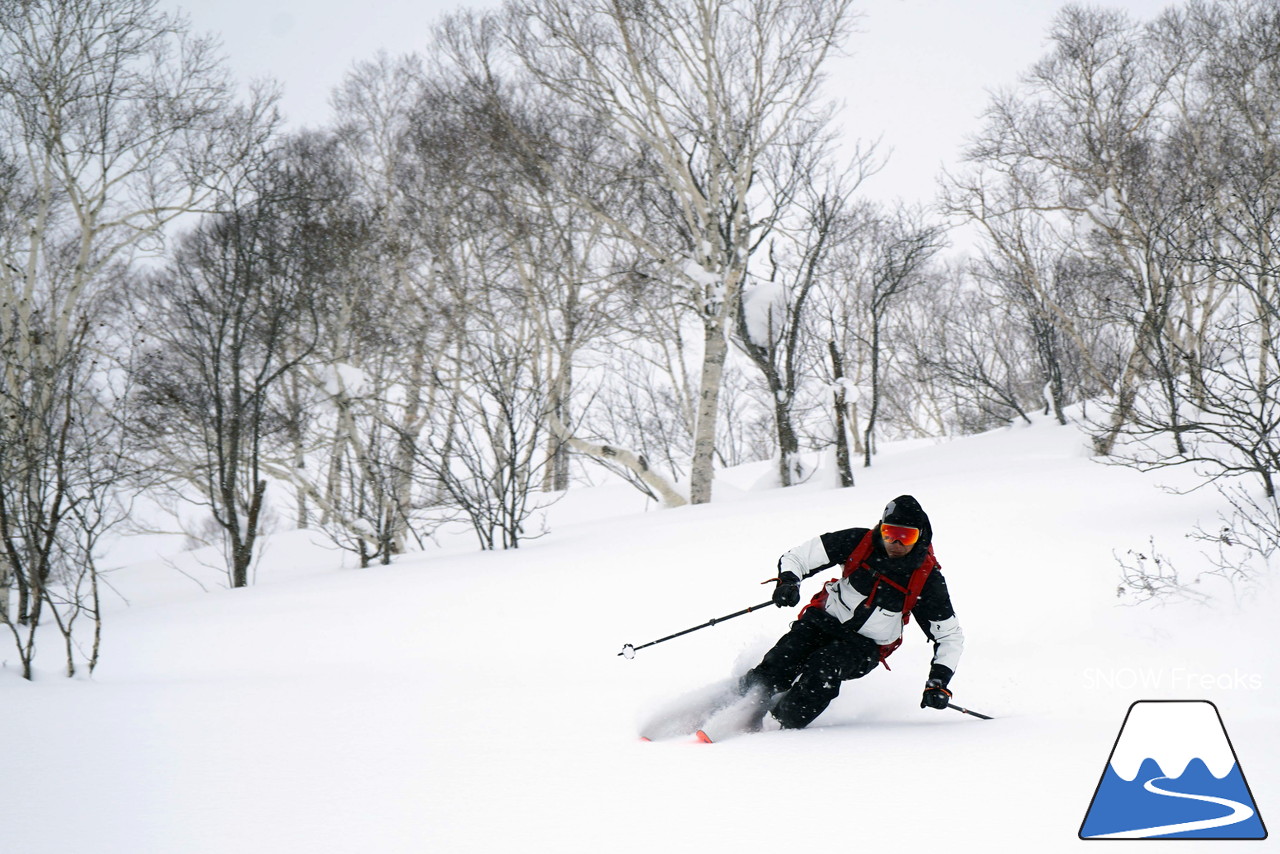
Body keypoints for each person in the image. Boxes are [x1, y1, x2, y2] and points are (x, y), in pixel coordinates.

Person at [733, 494, 964, 732]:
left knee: (824, 668)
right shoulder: (859, 542)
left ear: (921, 536)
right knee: (781, 663)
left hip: (864, 646)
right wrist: (789, 582)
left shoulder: (927, 579)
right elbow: (799, 557)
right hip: (822, 622)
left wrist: (938, 683)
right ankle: (729, 707)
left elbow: (949, 637)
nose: (897, 543)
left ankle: (777, 725)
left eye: (907, 536)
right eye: (890, 533)